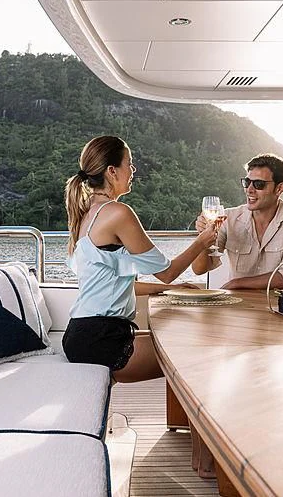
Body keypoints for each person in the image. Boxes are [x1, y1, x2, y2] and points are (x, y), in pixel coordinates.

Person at [63, 135, 218, 383]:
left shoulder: (86, 212)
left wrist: (170, 289)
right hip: (102, 340)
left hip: (82, 334)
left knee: (181, 339)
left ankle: (183, 422)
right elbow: (166, 271)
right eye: (129, 163)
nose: (133, 170)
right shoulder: (118, 213)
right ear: (112, 171)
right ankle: (194, 421)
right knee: (194, 350)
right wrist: (201, 242)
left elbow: (122, 283)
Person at [192, 153, 283, 290]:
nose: (249, 190)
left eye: (258, 184)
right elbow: (199, 269)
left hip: (280, 304)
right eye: (247, 182)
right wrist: (203, 238)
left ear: (279, 188)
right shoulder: (228, 218)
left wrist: (237, 283)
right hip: (237, 304)